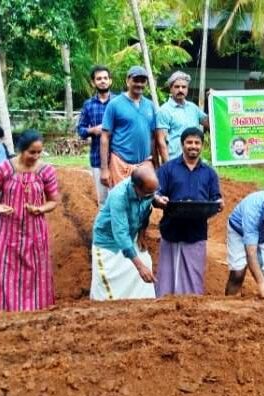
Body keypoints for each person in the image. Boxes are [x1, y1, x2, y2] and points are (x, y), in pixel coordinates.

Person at [0, 130, 61, 311]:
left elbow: (54, 201)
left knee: (35, 272)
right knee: (5, 271)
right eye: (31, 152)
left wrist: (40, 208)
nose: (35, 156)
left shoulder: (46, 171)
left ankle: (36, 310)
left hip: (35, 231)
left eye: (38, 152)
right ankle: (6, 312)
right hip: (7, 230)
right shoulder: (4, 168)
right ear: (21, 150)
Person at [154, 127, 223, 296]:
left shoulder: (209, 173)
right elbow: (156, 193)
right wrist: (158, 199)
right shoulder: (167, 169)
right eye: (189, 142)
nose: (193, 146)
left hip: (196, 231)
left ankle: (192, 308)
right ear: (182, 144)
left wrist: (219, 203)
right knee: (166, 275)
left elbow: (216, 197)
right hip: (172, 228)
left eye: (197, 143)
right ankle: (164, 305)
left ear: (202, 145)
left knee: (194, 274)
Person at [90, 165, 158, 300]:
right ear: (135, 187)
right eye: (147, 193)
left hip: (131, 237)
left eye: (153, 193)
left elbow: (146, 210)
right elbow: (120, 233)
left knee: (146, 261)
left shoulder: (147, 191)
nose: (150, 196)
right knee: (106, 287)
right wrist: (140, 267)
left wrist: (141, 234)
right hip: (108, 244)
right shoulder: (118, 196)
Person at [100, 65, 156, 188]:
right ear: (127, 81)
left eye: (143, 81)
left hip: (144, 165)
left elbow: (153, 138)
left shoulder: (150, 106)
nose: (139, 84)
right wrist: (104, 169)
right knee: (121, 202)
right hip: (120, 164)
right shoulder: (114, 104)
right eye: (136, 80)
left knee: (143, 204)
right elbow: (105, 137)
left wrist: (155, 164)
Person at [77, 65, 116, 205]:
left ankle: (119, 227)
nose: (103, 81)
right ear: (93, 83)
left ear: (110, 81)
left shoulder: (119, 102)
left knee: (118, 199)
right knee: (103, 201)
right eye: (99, 79)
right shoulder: (88, 105)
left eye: (105, 78)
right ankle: (104, 227)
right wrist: (93, 130)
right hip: (97, 158)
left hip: (119, 158)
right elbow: (80, 130)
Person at [155, 71, 209, 163]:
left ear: (187, 89)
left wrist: (212, 101)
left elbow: (210, 123)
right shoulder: (164, 110)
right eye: (177, 87)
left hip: (194, 160)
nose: (180, 90)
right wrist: (168, 166)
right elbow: (161, 142)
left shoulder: (193, 108)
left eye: (184, 87)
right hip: (175, 161)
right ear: (170, 89)